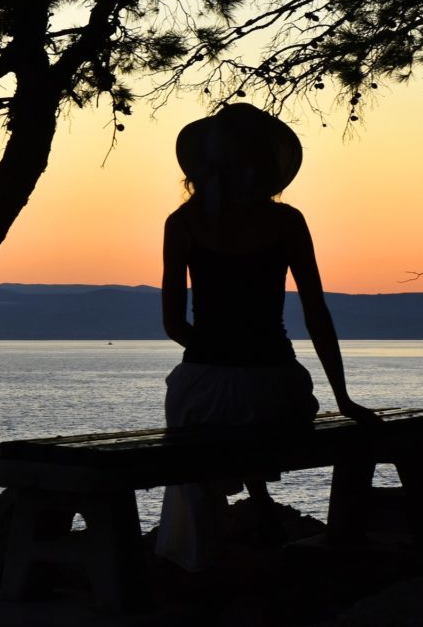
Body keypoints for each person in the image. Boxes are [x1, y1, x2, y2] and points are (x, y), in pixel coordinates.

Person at [155, 102, 380, 572]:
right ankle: (259, 505)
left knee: (194, 445)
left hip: (205, 387)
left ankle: (197, 560)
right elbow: (316, 313)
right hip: (277, 389)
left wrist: (218, 354)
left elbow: (174, 325)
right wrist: (343, 398)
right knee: (251, 414)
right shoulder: (286, 222)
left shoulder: (183, 224)